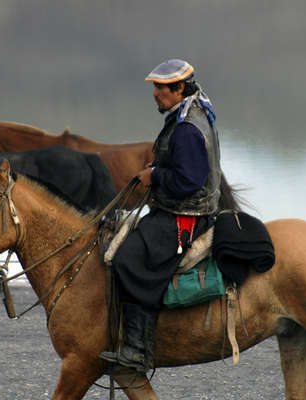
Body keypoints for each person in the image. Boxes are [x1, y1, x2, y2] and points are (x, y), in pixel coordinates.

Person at [99, 59, 222, 372]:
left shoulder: (186, 128)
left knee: (127, 258)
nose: (155, 94)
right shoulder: (190, 112)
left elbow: (189, 181)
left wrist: (154, 177)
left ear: (179, 88)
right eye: (155, 88)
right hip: (177, 209)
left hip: (186, 216)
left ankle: (138, 350)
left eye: (160, 88)